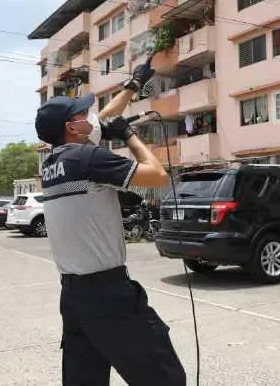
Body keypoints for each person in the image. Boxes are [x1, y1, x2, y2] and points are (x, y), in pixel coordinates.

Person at [35, 61, 186, 386]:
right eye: (81, 114)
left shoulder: (54, 163)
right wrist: (130, 136)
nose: (89, 116)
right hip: (108, 295)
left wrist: (133, 85)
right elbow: (157, 176)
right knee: (165, 379)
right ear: (71, 128)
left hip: (73, 296)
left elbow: (102, 120)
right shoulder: (88, 159)